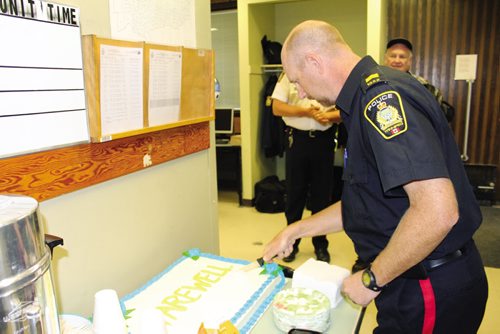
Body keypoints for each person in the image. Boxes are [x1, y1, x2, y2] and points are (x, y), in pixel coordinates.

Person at [263, 20, 488, 333]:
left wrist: (373, 278)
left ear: (315, 62)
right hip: (408, 274)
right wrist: (297, 229)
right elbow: (365, 201)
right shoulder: (363, 98)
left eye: (298, 81)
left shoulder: (381, 100)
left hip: (428, 283)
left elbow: (438, 211)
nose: (300, 92)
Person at [271, 72, 341, 263]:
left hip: (323, 141)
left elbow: (344, 112)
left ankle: (320, 245)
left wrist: (327, 116)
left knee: (322, 196)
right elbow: (277, 108)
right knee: (295, 195)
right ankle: (291, 243)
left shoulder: (329, 75)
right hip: (297, 140)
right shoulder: (288, 76)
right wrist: (306, 112)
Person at [384, 38, 455, 122]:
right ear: (385, 59)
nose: (397, 60)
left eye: (402, 57)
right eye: (393, 56)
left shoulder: (423, 86)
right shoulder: (373, 83)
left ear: (409, 61)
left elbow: (444, 116)